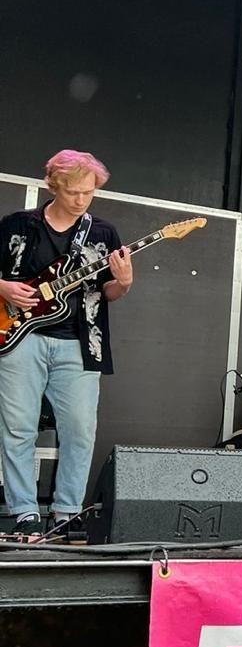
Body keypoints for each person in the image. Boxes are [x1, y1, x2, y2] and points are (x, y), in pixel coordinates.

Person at [0, 150, 133, 537]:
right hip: (18, 339)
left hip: (78, 342)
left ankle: (66, 512)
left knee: (80, 429)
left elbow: (110, 292)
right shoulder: (16, 226)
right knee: (18, 427)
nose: (81, 200)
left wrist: (123, 282)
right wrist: (4, 286)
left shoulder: (103, 233)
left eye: (89, 193)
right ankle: (24, 511)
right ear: (53, 186)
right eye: (73, 191)